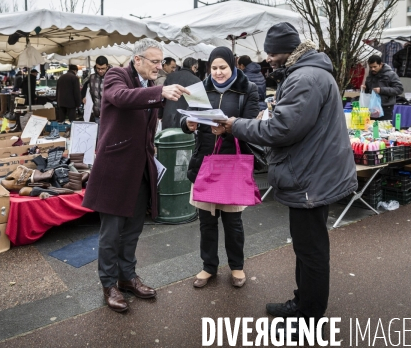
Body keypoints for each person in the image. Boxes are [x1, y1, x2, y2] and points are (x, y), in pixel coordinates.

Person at [219, 22, 357, 339]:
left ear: (286, 51)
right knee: (308, 248)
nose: (268, 59)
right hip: (314, 171)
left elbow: (282, 129)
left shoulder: (305, 78)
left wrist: (234, 125)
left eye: (271, 53)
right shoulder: (310, 73)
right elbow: (292, 121)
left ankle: (308, 317)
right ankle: (302, 303)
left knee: (311, 251)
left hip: (311, 176)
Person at [82, 38, 190, 313]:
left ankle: (127, 277)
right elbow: (121, 98)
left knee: (132, 230)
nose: (159, 66)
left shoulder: (153, 87)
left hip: (142, 166)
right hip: (115, 167)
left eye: (161, 61)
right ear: (137, 59)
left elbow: (159, 119)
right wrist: (160, 93)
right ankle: (109, 284)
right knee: (111, 232)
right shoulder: (117, 75)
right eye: (154, 61)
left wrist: (189, 121)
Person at [180, 47, 259, 289]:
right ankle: (208, 266)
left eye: (223, 67)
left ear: (233, 65)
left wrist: (227, 129)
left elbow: (251, 126)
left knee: (233, 222)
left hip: (233, 164)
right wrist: (188, 123)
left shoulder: (248, 89)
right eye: (214, 68)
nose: (218, 72)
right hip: (205, 163)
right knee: (206, 221)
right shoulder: (200, 90)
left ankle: (237, 265)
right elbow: (184, 118)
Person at [159, 57, 201, 129]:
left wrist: (160, 115)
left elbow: (163, 97)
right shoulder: (196, 80)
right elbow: (198, 104)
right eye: (196, 69)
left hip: (167, 117)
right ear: (193, 67)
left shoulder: (170, 77)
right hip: (184, 121)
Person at [361, 55, 403, 121]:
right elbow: (369, 91)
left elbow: (399, 89)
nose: (372, 69)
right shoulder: (370, 75)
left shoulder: (391, 74)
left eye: (375, 67)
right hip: (372, 108)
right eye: (371, 67)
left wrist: (381, 90)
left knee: (384, 129)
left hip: (386, 107)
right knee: (371, 129)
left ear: (381, 64)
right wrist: (365, 89)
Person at [81, 56, 109, 123]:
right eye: (98, 68)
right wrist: (83, 97)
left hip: (109, 114)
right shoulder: (92, 77)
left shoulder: (112, 76)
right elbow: (84, 88)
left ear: (107, 67)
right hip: (97, 114)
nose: (100, 71)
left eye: (103, 69)